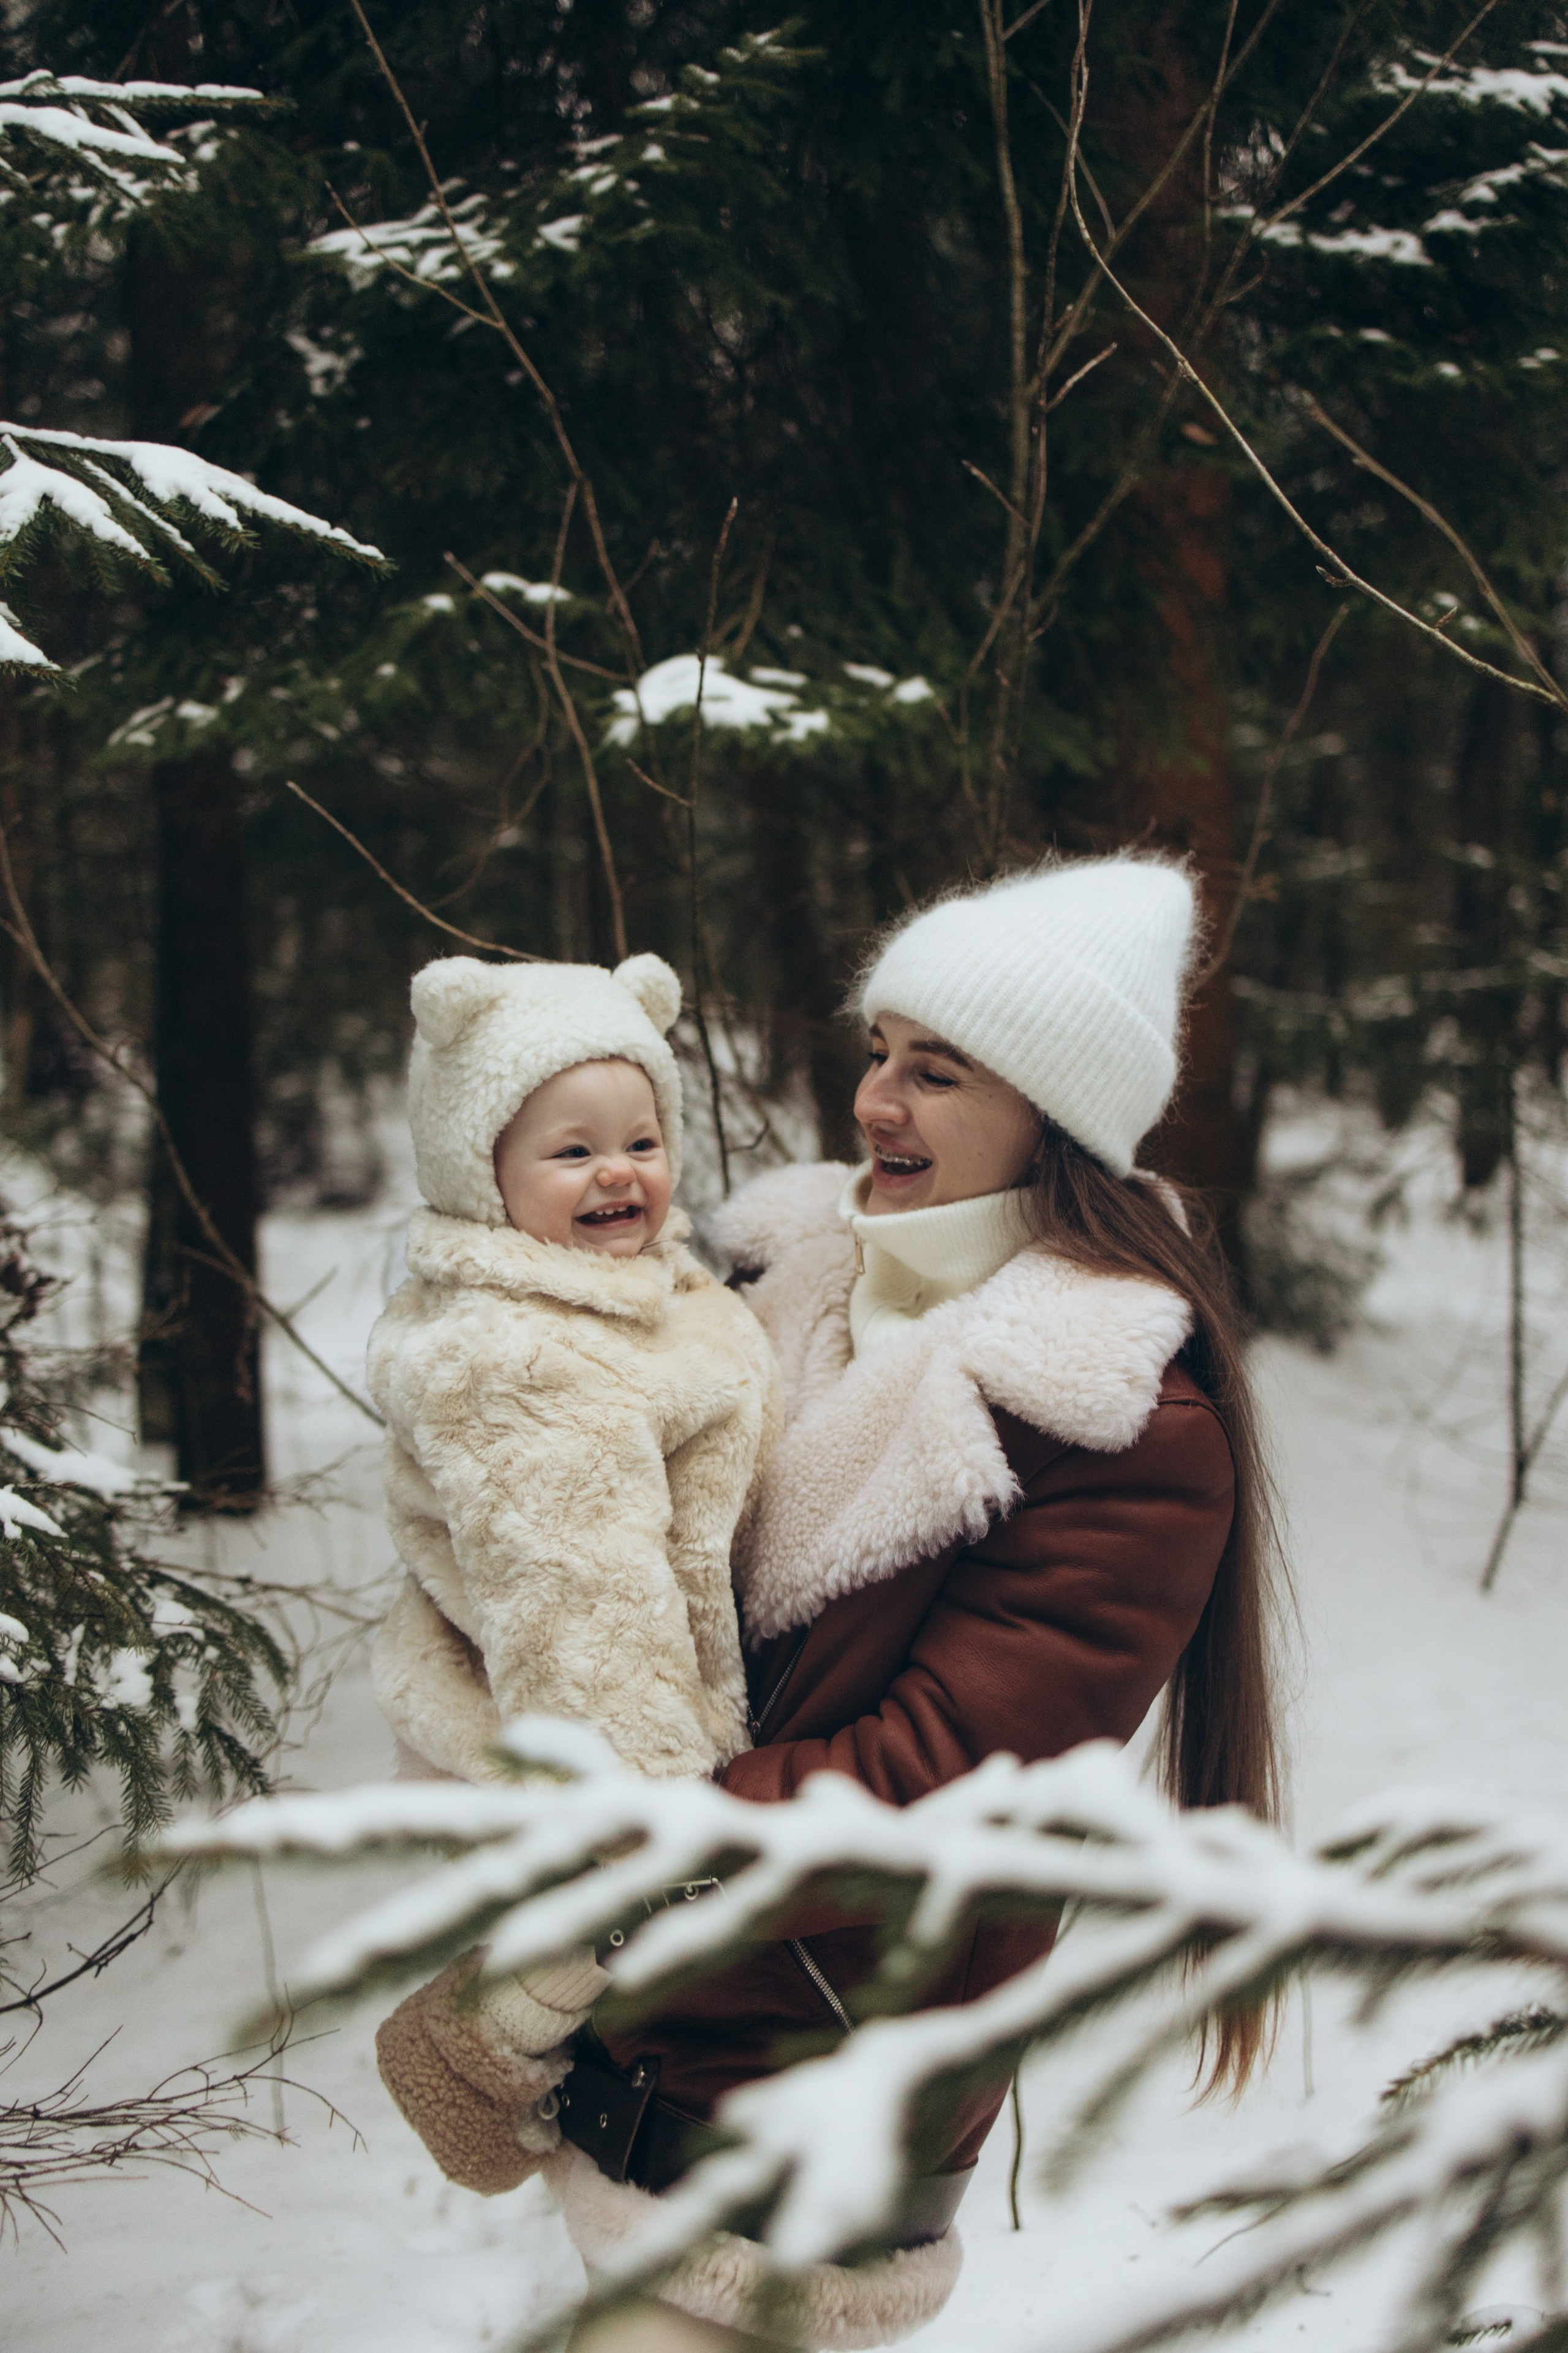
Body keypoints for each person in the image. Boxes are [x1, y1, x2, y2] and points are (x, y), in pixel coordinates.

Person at [548, 854, 1286, 2352]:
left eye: (935, 1072)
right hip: (645, 2039)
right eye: (878, 1051)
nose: (875, 1100)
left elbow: (928, 1788)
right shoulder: (772, 1281)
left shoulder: (1113, 1420)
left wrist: (612, 1857)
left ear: (1051, 1116)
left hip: (816, 2072)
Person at [364, 951, 780, 2197]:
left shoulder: (617, 1289)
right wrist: (658, 1815)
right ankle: (466, 2058)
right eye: (571, 1150)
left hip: (614, 1700)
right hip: (587, 1726)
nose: (618, 1172)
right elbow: (578, 1607)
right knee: (594, 1940)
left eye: (641, 1140)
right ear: (477, 1172)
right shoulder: (518, 1356)